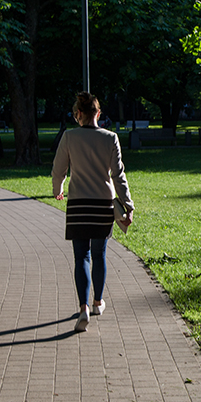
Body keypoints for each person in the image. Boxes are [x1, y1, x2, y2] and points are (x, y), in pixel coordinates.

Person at [51, 92, 134, 332]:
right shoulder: (111, 138)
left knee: (81, 257)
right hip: (102, 205)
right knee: (99, 255)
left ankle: (83, 307)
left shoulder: (69, 137)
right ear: (98, 114)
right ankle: (98, 302)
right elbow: (119, 176)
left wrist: (59, 190)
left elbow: (59, 169)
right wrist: (127, 205)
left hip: (78, 204)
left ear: (78, 115)